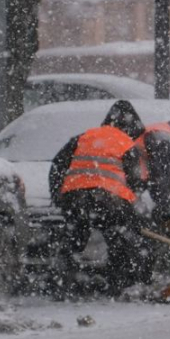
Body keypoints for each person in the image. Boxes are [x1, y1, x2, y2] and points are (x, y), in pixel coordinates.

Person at [49, 100, 151, 297]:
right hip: (109, 200)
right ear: (131, 126)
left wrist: (59, 195)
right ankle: (120, 283)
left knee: (74, 236)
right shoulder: (126, 143)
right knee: (120, 237)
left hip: (75, 199)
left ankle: (63, 283)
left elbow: (57, 165)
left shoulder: (84, 137)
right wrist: (135, 210)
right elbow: (136, 182)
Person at [132, 118, 170, 232]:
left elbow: (160, 175)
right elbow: (160, 176)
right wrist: (166, 209)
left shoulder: (157, 133)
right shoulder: (161, 142)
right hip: (128, 182)